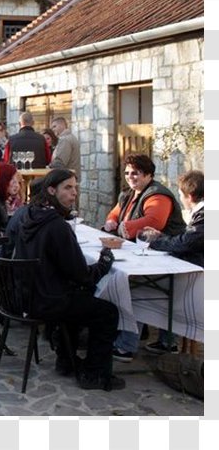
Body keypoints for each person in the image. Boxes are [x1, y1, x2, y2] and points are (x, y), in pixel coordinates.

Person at [15, 168, 123, 391]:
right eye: (68, 188)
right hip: (47, 301)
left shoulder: (31, 214)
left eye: (75, 188)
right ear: (52, 190)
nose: (74, 193)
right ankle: (94, 373)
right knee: (107, 312)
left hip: (28, 295)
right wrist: (104, 260)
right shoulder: (56, 226)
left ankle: (66, 360)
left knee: (80, 296)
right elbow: (82, 275)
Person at [105, 154, 187, 362]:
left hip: (167, 256)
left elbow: (154, 221)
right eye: (127, 173)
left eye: (136, 173)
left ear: (148, 174)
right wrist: (112, 222)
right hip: (148, 253)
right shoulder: (129, 194)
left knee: (138, 290)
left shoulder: (158, 195)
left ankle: (127, 345)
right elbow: (114, 214)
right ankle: (163, 341)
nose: (130, 177)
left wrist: (127, 227)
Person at [134, 169, 204, 355]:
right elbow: (188, 240)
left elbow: (187, 243)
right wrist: (163, 238)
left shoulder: (205, 214)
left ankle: (128, 346)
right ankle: (165, 341)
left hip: (199, 277)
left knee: (144, 287)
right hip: (193, 269)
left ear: (189, 196)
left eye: (181, 195)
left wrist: (156, 241)